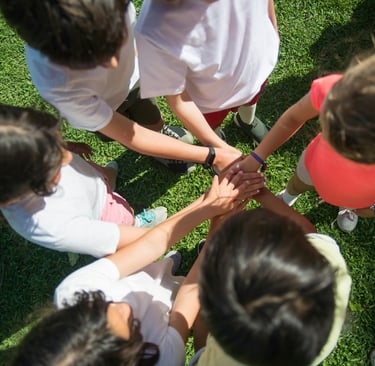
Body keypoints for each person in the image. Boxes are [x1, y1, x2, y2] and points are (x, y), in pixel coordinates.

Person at [10, 167, 264, 366]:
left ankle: (169, 266)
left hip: (145, 271)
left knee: (160, 265)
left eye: (101, 303)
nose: (123, 305)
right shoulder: (164, 360)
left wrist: (208, 204)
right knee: (177, 282)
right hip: (172, 299)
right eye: (132, 327)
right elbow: (186, 301)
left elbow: (149, 245)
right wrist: (219, 229)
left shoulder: (74, 291)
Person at [0, 0, 242, 175]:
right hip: (104, 109)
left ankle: (159, 135)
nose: (114, 63)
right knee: (129, 134)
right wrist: (210, 155)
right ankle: (160, 151)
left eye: (116, 39)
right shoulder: (58, 86)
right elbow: (128, 134)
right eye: (90, 60)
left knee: (152, 118)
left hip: (136, 83)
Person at [189, 188, 352, 366]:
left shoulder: (217, 362)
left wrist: (212, 246)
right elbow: (310, 233)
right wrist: (261, 193)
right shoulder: (330, 267)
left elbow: (201, 344)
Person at [0, 104, 169, 257]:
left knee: (100, 176)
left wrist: (65, 145)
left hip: (90, 180)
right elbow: (114, 239)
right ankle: (135, 223)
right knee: (125, 215)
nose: (68, 158)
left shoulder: (22, 158)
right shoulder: (50, 225)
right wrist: (164, 234)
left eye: (56, 143)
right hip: (105, 214)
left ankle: (108, 178)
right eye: (55, 161)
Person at [238, 52, 375, 232]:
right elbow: (293, 117)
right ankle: (288, 196)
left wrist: (371, 207)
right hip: (315, 165)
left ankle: (347, 206)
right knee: (298, 183)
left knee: (353, 200)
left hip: (362, 196)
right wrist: (256, 156)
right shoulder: (337, 92)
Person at [135, 0, 279, 150]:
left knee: (251, 101)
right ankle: (218, 142)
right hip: (211, 102)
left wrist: (273, 30)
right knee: (212, 127)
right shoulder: (153, 30)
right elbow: (179, 100)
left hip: (256, 73)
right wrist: (220, 150)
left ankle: (246, 121)